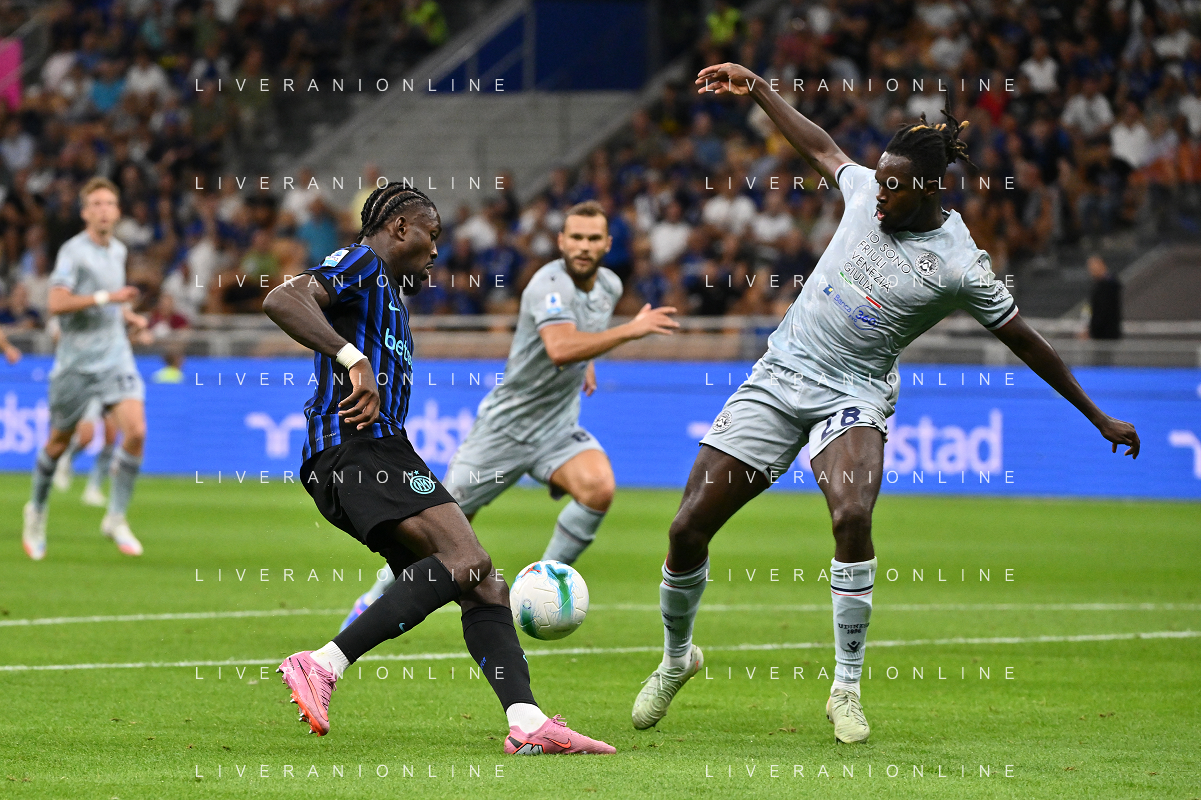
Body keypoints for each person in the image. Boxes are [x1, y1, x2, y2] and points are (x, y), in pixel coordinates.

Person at [630, 63, 1141, 744]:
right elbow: (819, 147)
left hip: (853, 392)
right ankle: (676, 659)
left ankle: (845, 687)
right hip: (780, 376)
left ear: (928, 189)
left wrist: (1096, 415)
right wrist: (758, 87)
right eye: (880, 181)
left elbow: (1024, 339)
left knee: (851, 515)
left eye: (894, 188)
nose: (879, 195)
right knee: (686, 530)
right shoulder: (866, 188)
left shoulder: (958, 264)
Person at [261, 183, 614, 755]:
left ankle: (526, 721)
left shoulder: (390, 294)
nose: (435, 248)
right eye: (431, 234)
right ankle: (323, 663)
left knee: (482, 583)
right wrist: (352, 359)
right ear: (399, 227)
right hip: (357, 449)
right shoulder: (361, 263)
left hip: (377, 451)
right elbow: (283, 299)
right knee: (468, 559)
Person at [339, 201, 678, 631]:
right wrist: (630, 330)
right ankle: (370, 601)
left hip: (556, 429)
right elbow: (560, 347)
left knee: (598, 487)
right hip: (503, 432)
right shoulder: (548, 284)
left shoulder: (608, 285)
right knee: (437, 534)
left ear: (608, 244)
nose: (584, 246)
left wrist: (588, 359)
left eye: (593, 239)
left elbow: (579, 338)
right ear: (561, 241)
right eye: (576, 237)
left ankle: (543, 586)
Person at [22, 177, 151, 561]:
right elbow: (57, 303)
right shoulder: (72, 252)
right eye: (96, 204)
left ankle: (115, 517)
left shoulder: (119, 251)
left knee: (136, 432)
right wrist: (108, 297)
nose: (103, 210)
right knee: (58, 443)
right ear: (85, 213)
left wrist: (127, 315)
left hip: (115, 357)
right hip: (76, 364)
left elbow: (110, 305)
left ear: (118, 211)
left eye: (109, 203)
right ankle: (36, 511)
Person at [1086, 255, 1122, 340]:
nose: (1091, 270)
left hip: (1107, 333)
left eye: (1094, 267)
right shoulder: (1099, 285)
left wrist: (1093, 329)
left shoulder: (1109, 285)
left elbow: (1103, 311)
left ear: (1102, 265)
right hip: (1101, 333)